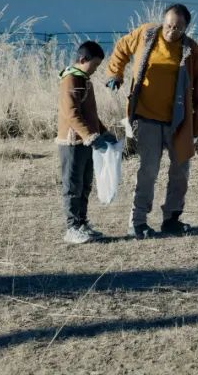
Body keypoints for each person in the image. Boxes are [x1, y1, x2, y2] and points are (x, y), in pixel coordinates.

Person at [105, 3, 198, 240]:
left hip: (179, 122)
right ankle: (137, 222)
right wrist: (114, 73)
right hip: (146, 117)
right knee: (149, 170)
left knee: (180, 171)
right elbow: (122, 48)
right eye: (169, 25)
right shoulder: (146, 34)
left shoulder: (192, 51)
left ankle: (171, 219)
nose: (172, 31)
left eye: (178, 28)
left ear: (186, 29)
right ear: (163, 21)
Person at [56, 40, 110, 244]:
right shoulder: (71, 79)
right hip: (72, 143)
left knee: (85, 184)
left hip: (87, 142)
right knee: (72, 185)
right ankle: (72, 228)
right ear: (82, 59)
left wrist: (103, 132)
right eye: (94, 65)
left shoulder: (84, 79)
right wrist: (89, 136)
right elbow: (71, 112)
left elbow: (90, 114)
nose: (95, 70)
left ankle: (82, 223)